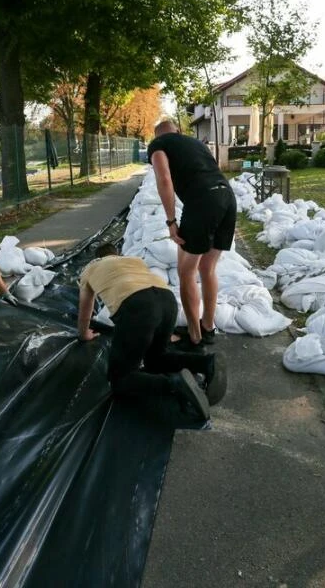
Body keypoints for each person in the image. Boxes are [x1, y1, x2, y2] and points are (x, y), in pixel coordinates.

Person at [77, 242, 228, 421]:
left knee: (120, 380)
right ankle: (206, 363)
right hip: (167, 300)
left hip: (137, 306)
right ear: (117, 254)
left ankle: (174, 384)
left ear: (97, 258)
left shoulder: (90, 269)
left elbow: (85, 309)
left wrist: (84, 333)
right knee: (156, 359)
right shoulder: (133, 261)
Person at [147, 120, 237, 349]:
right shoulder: (196, 143)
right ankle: (207, 326)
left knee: (185, 271)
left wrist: (171, 221)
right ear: (179, 131)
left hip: (202, 201)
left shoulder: (158, 145)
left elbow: (164, 179)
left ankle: (195, 336)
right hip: (227, 197)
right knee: (207, 268)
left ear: (157, 135)